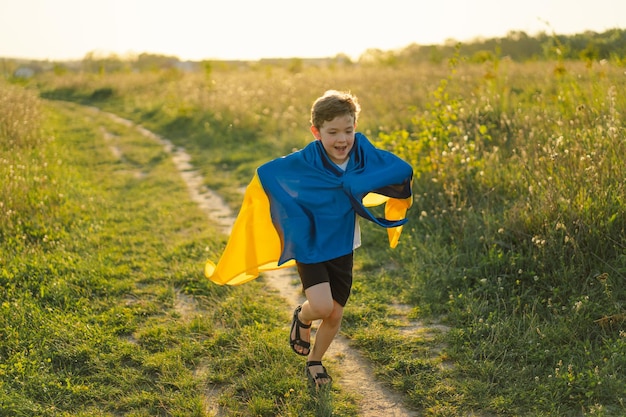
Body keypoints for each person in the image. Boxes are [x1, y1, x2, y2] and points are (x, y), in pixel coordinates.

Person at [205, 90, 413, 389]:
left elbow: (396, 168)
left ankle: (315, 360)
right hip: (311, 243)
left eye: (348, 131)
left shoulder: (362, 154)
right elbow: (269, 174)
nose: (341, 140)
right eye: (332, 133)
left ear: (356, 127)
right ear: (316, 132)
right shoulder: (306, 161)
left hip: (343, 244)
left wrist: (396, 184)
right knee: (321, 306)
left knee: (335, 313)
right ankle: (302, 317)